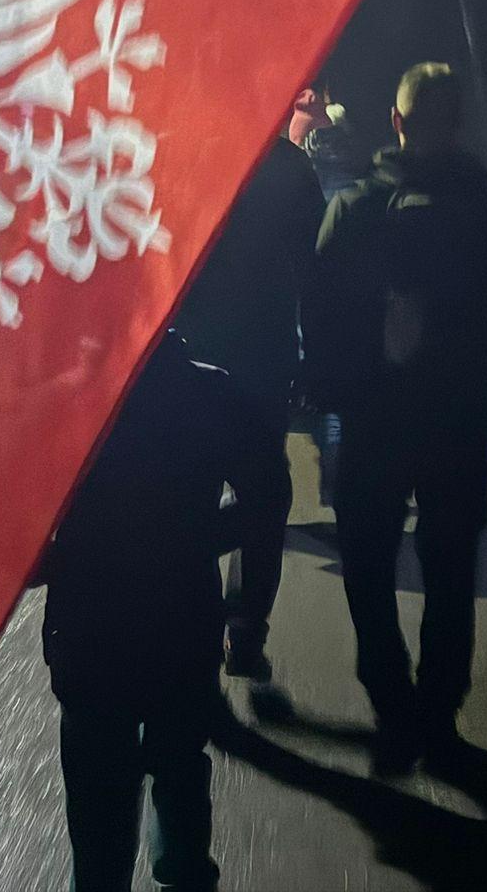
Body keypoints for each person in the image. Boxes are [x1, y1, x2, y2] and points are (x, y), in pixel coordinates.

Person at [303, 62, 487, 768]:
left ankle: (391, 701)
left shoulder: (355, 208)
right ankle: (440, 706)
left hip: (373, 419)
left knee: (367, 561)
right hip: (458, 420)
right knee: (450, 565)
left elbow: (319, 314)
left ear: (396, 121)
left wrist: (331, 394)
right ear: (458, 122)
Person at [38, 336, 259, 891]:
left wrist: (60, 560)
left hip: (89, 630)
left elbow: (6, 517)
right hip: (183, 621)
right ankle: (184, 871)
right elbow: (266, 497)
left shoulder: (65, 390)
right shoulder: (213, 391)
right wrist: (196, 543)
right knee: (180, 763)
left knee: (97, 794)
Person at [173, 129, 324, 710]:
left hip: (188, 359)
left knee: (191, 496)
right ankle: (243, 630)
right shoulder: (291, 169)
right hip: (261, 361)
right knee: (264, 496)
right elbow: (313, 272)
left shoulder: (188, 152)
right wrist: (315, 361)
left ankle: (193, 635)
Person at [290, 81, 371, 507]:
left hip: (312, 311)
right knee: (346, 398)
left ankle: (332, 473)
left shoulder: (303, 196)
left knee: (325, 395)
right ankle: (341, 480)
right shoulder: (363, 197)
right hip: (355, 313)